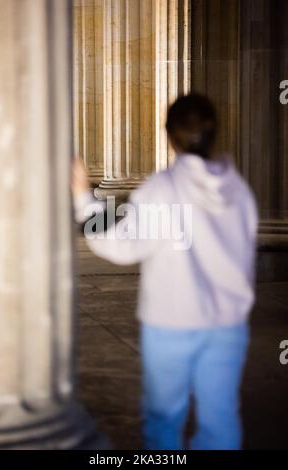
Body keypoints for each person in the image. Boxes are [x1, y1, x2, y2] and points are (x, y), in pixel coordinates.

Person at [72, 93, 258, 450]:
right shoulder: (240, 190)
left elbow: (122, 245)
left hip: (172, 323)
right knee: (220, 419)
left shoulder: (163, 189)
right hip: (227, 325)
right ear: (214, 132)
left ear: (169, 136)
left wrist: (84, 198)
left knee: (164, 418)